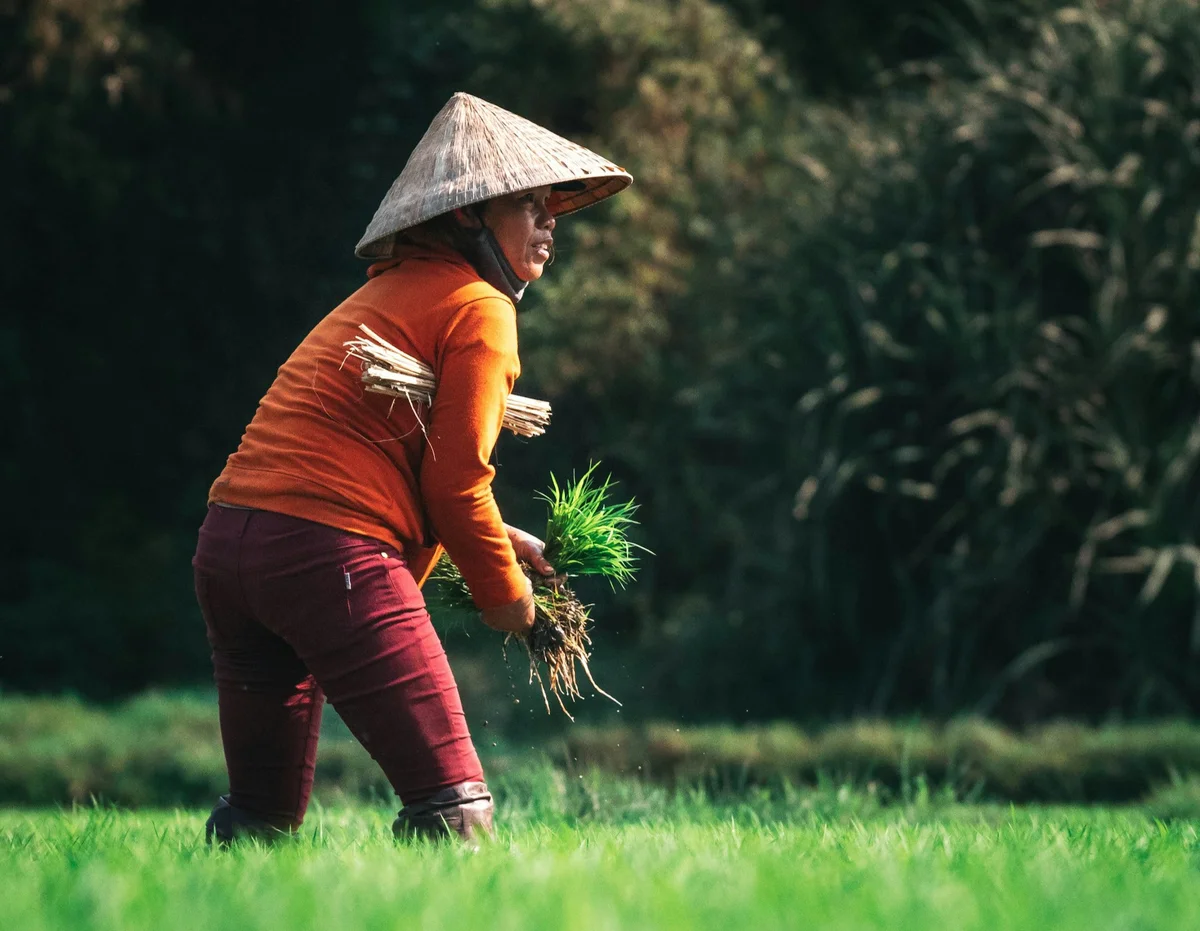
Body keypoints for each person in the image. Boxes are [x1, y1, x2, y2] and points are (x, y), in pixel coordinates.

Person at [192, 92, 632, 844]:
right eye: (528, 205)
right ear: (467, 215)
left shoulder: (384, 296)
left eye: (552, 206)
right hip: (325, 555)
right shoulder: (482, 309)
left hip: (229, 549)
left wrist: (501, 536)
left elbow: (393, 463)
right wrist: (511, 600)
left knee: (260, 819)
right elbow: (454, 483)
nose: (550, 221)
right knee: (453, 811)